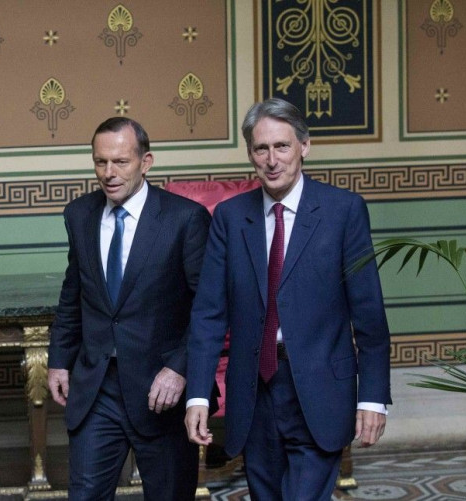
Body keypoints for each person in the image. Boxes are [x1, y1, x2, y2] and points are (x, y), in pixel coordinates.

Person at [185, 98, 391, 500]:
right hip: (255, 393)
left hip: (320, 389)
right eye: (261, 149)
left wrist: (373, 396)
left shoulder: (343, 211)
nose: (272, 159)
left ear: (304, 146)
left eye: (282, 146)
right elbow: (209, 314)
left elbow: (369, 315)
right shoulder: (230, 218)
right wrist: (198, 395)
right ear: (250, 154)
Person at [48, 117, 210, 500]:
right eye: (100, 162)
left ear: (146, 162)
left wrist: (178, 369)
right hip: (97, 387)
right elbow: (74, 294)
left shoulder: (184, 220)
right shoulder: (79, 215)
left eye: (120, 162)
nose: (109, 173)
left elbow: (210, 309)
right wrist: (59, 358)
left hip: (162, 393)